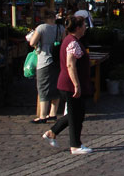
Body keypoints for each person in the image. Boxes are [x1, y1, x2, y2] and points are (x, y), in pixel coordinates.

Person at [41, 16, 93, 155]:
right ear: (77, 28)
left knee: (75, 114)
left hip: (67, 83)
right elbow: (70, 65)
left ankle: (52, 132)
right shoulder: (72, 42)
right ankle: (75, 145)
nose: (85, 28)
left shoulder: (71, 40)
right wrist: (76, 85)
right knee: (76, 116)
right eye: (83, 25)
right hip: (69, 84)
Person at [28, 8, 61, 124]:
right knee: (56, 87)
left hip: (44, 60)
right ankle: (53, 113)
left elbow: (32, 42)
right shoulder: (60, 28)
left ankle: (42, 115)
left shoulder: (41, 28)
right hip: (57, 61)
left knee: (43, 87)